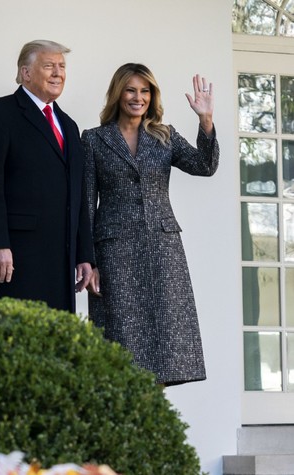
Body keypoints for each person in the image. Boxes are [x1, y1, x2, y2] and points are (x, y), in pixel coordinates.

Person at [82, 63, 219, 386]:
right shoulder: (93, 140)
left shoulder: (165, 136)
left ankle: (152, 419)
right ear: (118, 93)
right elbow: (87, 204)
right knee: (121, 340)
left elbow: (205, 165)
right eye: (131, 90)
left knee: (164, 341)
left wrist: (206, 121)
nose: (138, 97)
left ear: (152, 96)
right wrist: (90, 260)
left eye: (145, 91)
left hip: (163, 249)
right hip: (115, 252)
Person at [0, 39, 93, 312]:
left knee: (53, 344)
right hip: (14, 259)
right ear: (25, 72)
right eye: (49, 66)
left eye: (62, 66)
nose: (58, 73)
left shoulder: (69, 126)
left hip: (59, 260)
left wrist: (84, 255)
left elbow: (78, 193)